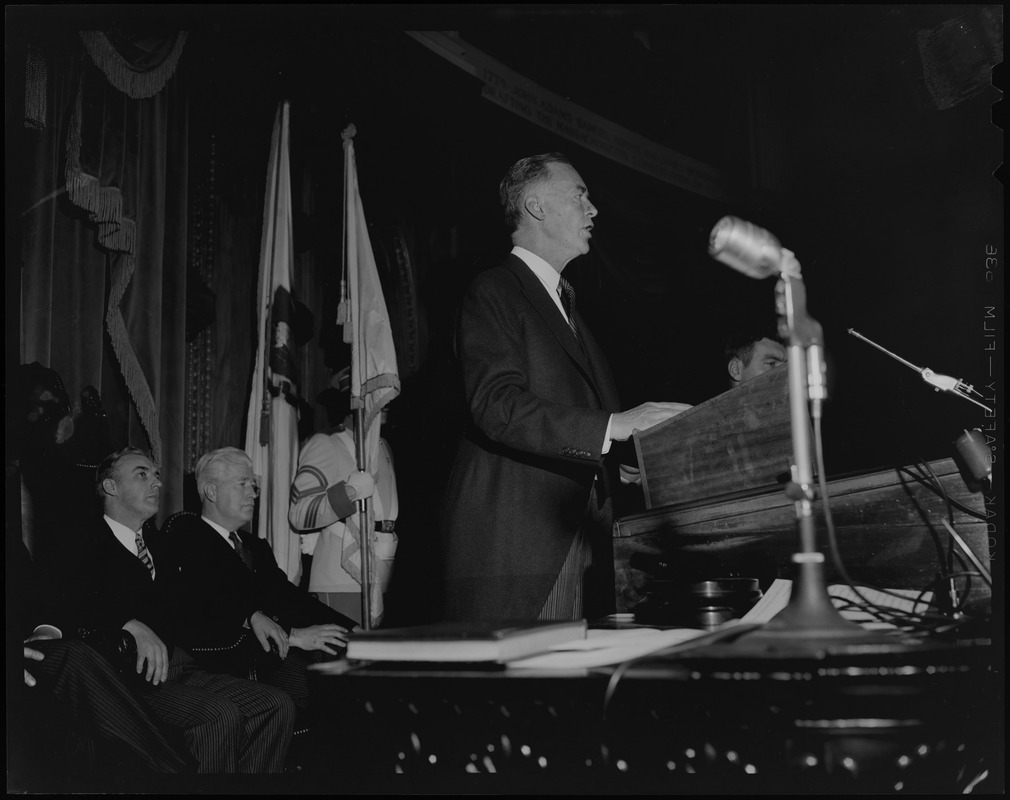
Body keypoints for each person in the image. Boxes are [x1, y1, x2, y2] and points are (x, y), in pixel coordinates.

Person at [439, 152, 691, 623]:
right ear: (535, 207)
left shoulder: (567, 308)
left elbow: (583, 427)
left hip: (582, 543)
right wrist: (614, 425)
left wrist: (622, 461)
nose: (593, 209)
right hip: (520, 550)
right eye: (580, 196)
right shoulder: (494, 290)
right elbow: (496, 405)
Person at [46, 446, 297, 774]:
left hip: (183, 668)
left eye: (157, 475)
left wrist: (250, 614)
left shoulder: (163, 545)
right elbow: (64, 603)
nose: (156, 483)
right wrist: (126, 621)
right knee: (219, 715)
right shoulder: (81, 542)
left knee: (276, 705)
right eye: (142, 474)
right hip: (128, 678)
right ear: (111, 487)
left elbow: (202, 598)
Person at [162, 447, 356, 716]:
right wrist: (293, 635)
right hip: (231, 662)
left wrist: (350, 627)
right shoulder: (188, 536)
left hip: (271, 656)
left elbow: (289, 597)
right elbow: (216, 599)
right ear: (211, 491)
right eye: (242, 484)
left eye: (253, 485)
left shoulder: (255, 546)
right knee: (324, 688)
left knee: (344, 658)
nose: (253, 493)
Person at [288, 368, 398, 626]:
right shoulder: (326, 442)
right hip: (342, 576)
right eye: (377, 395)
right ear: (355, 401)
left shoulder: (384, 446)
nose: (386, 402)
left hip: (385, 567)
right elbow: (299, 513)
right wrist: (349, 492)